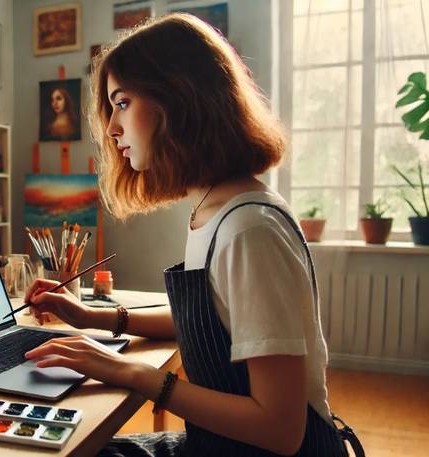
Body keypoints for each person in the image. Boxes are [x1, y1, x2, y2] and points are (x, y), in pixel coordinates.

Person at [23, 14, 360, 457]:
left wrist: (130, 372)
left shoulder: (249, 230)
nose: (111, 128)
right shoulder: (213, 208)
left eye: (121, 103)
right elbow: (213, 323)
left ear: (178, 99)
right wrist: (90, 316)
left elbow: (281, 429)